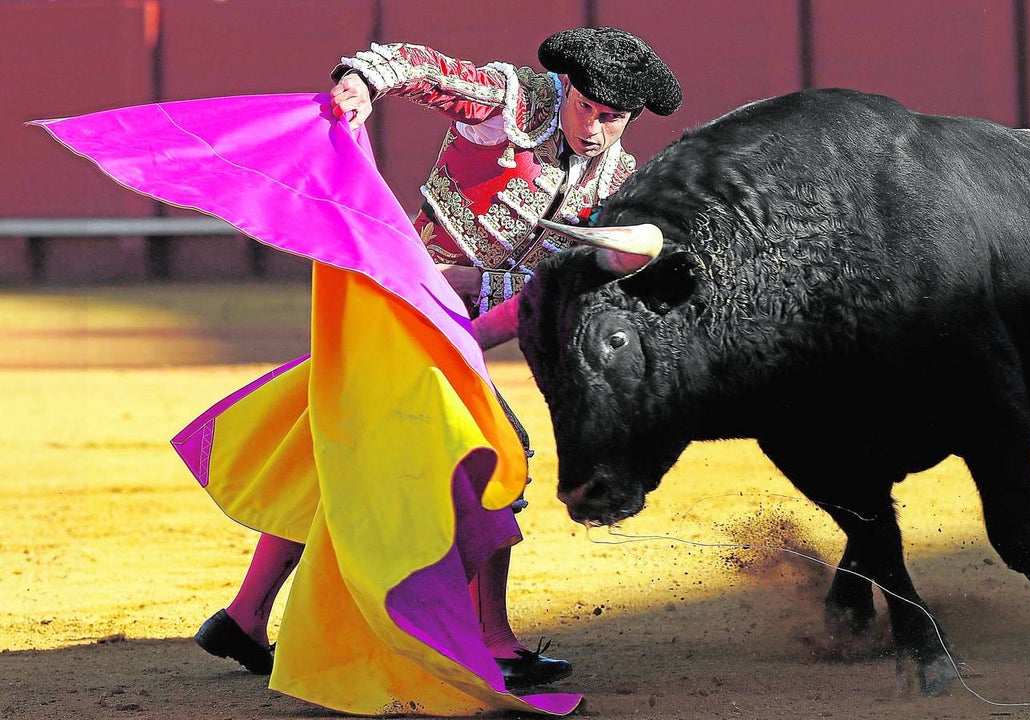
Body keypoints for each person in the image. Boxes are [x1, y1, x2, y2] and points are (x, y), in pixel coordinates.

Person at [192, 26, 682, 691]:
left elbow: (551, 289)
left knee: (346, 451)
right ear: (568, 89)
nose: (595, 127)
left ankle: (244, 617)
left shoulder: (617, 182)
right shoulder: (515, 102)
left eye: (612, 118)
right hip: (401, 304)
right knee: (489, 450)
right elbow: (426, 69)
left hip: (454, 327)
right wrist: (364, 80)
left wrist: (500, 302)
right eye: (586, 108)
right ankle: (494, 642)